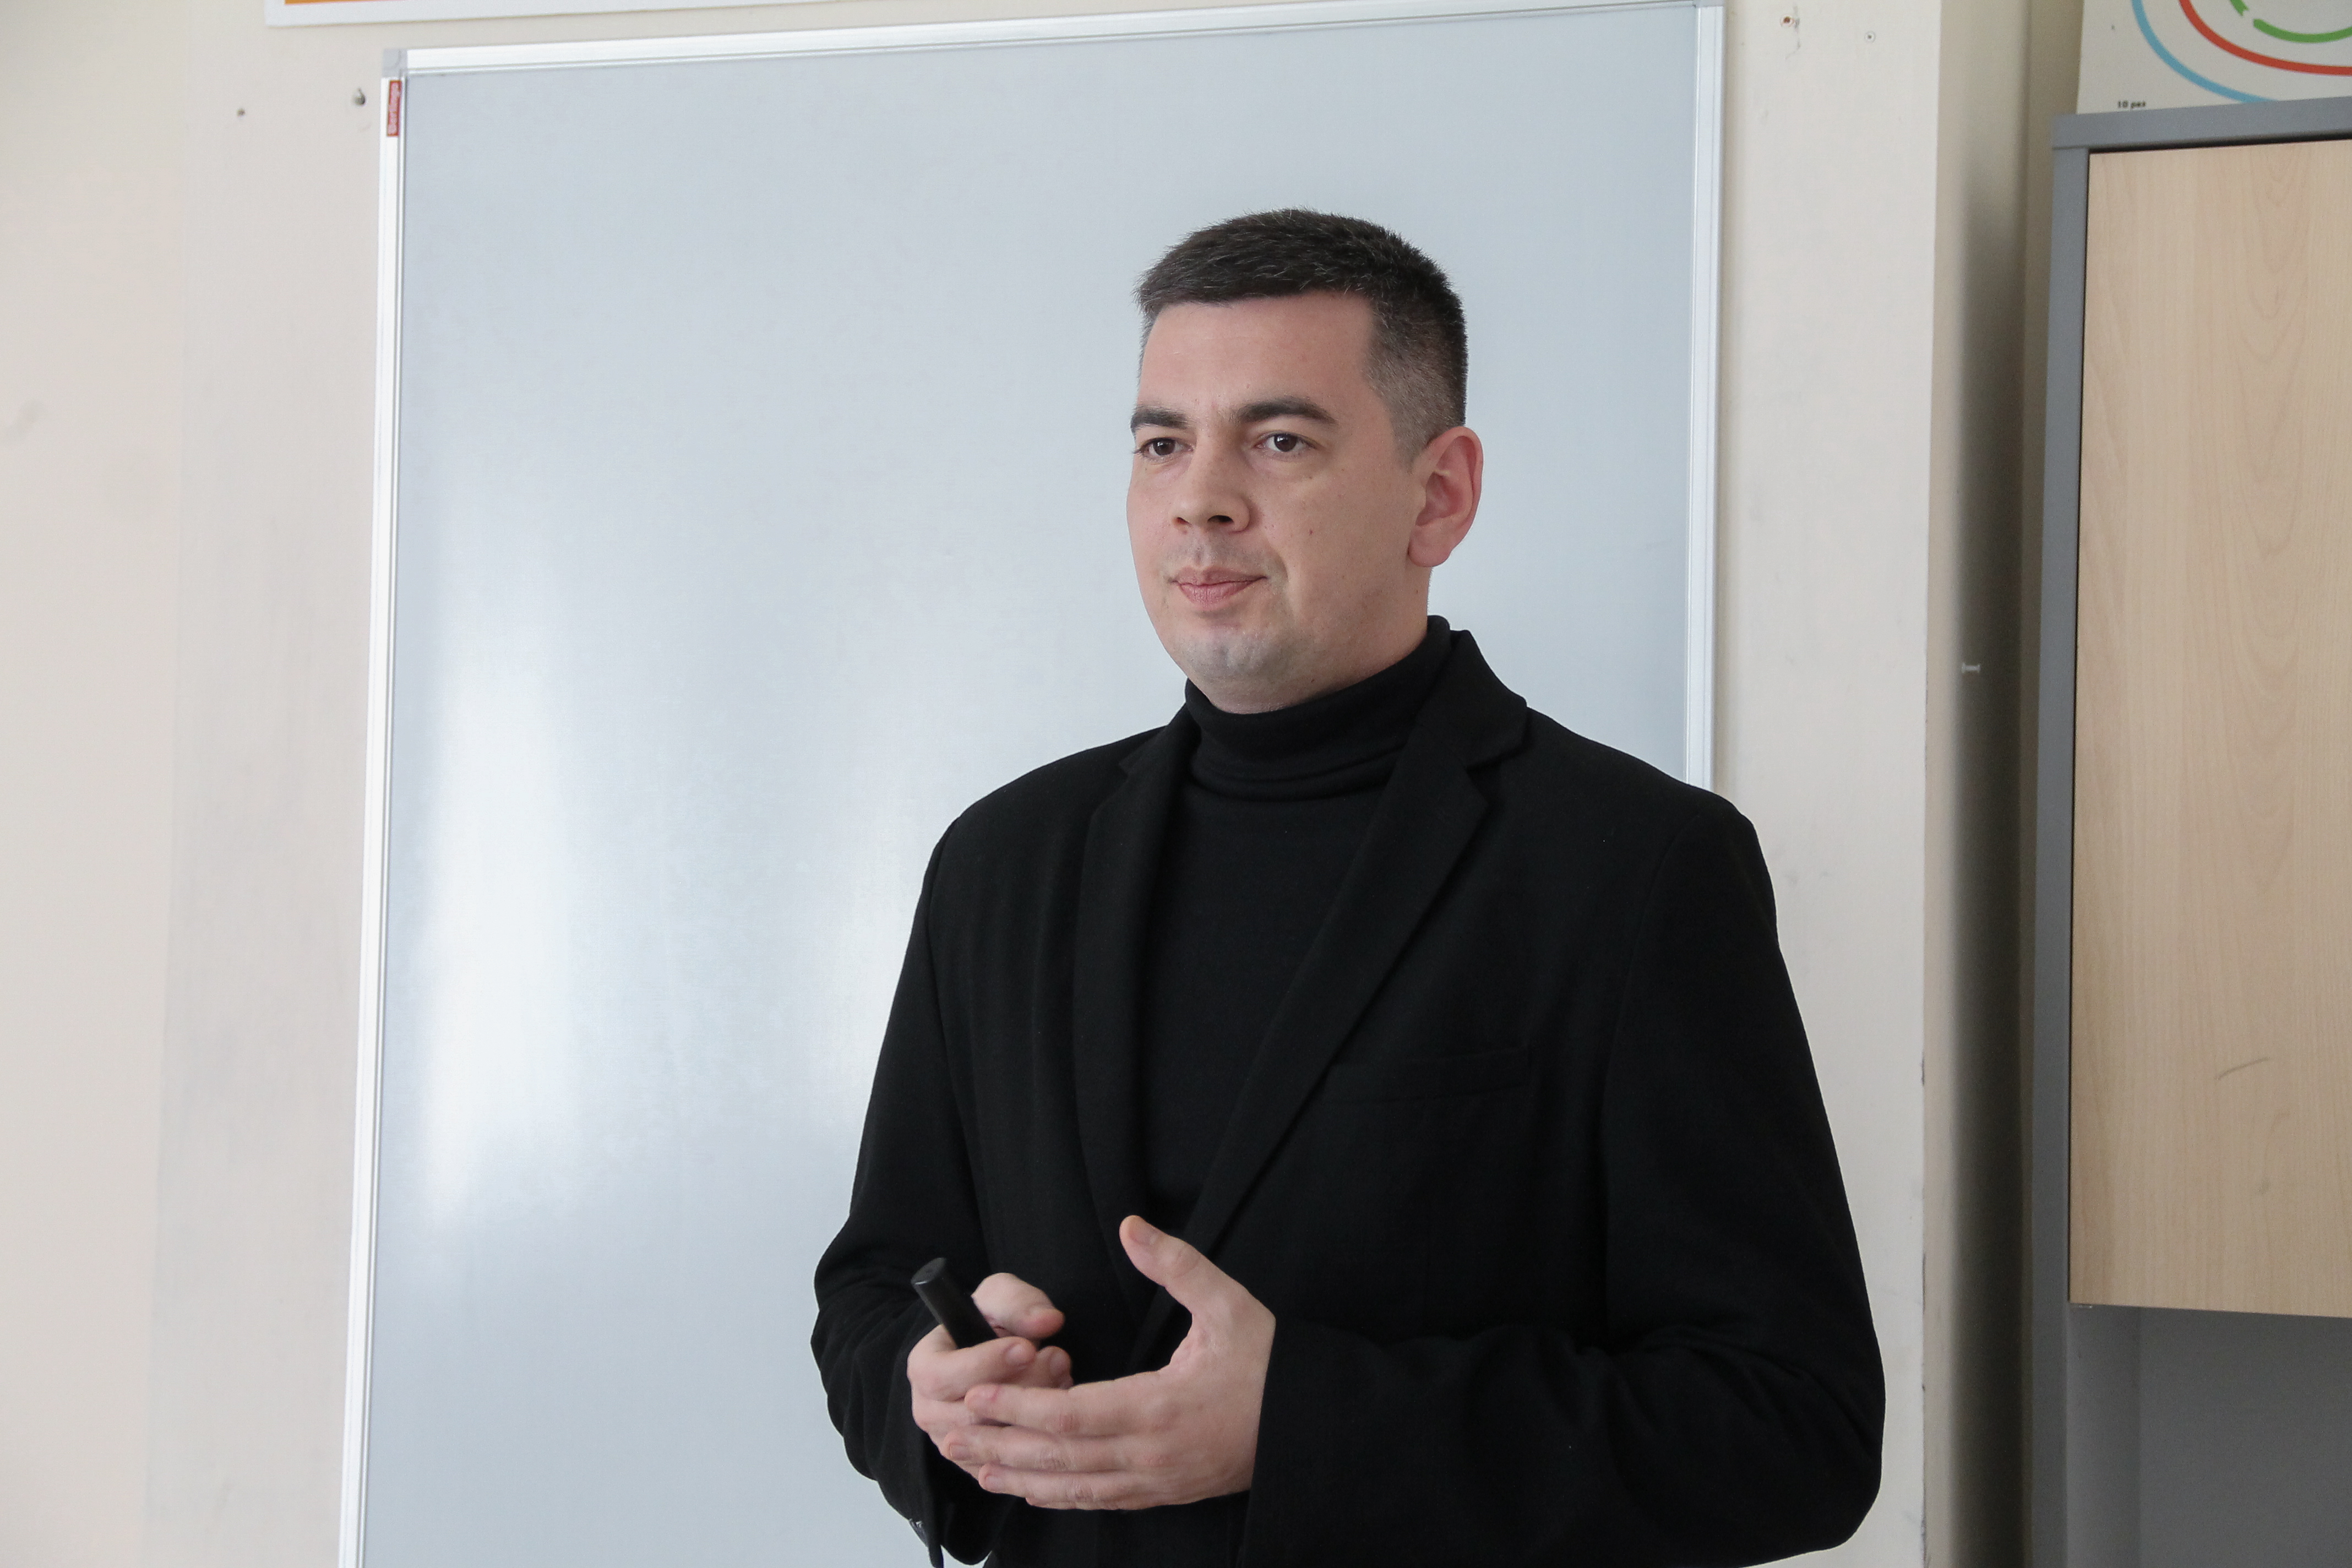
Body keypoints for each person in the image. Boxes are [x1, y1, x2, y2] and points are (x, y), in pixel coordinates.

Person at [813, 209, 1882, 1567]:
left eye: (1278, 440)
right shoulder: (1004, 861)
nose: (1201, 499)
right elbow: (873, 1282)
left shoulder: (1635, 866)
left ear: (1440, 496)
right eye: (1162, 443)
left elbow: (1793, 1427)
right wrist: (929, 1385)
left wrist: (1304, 1423)